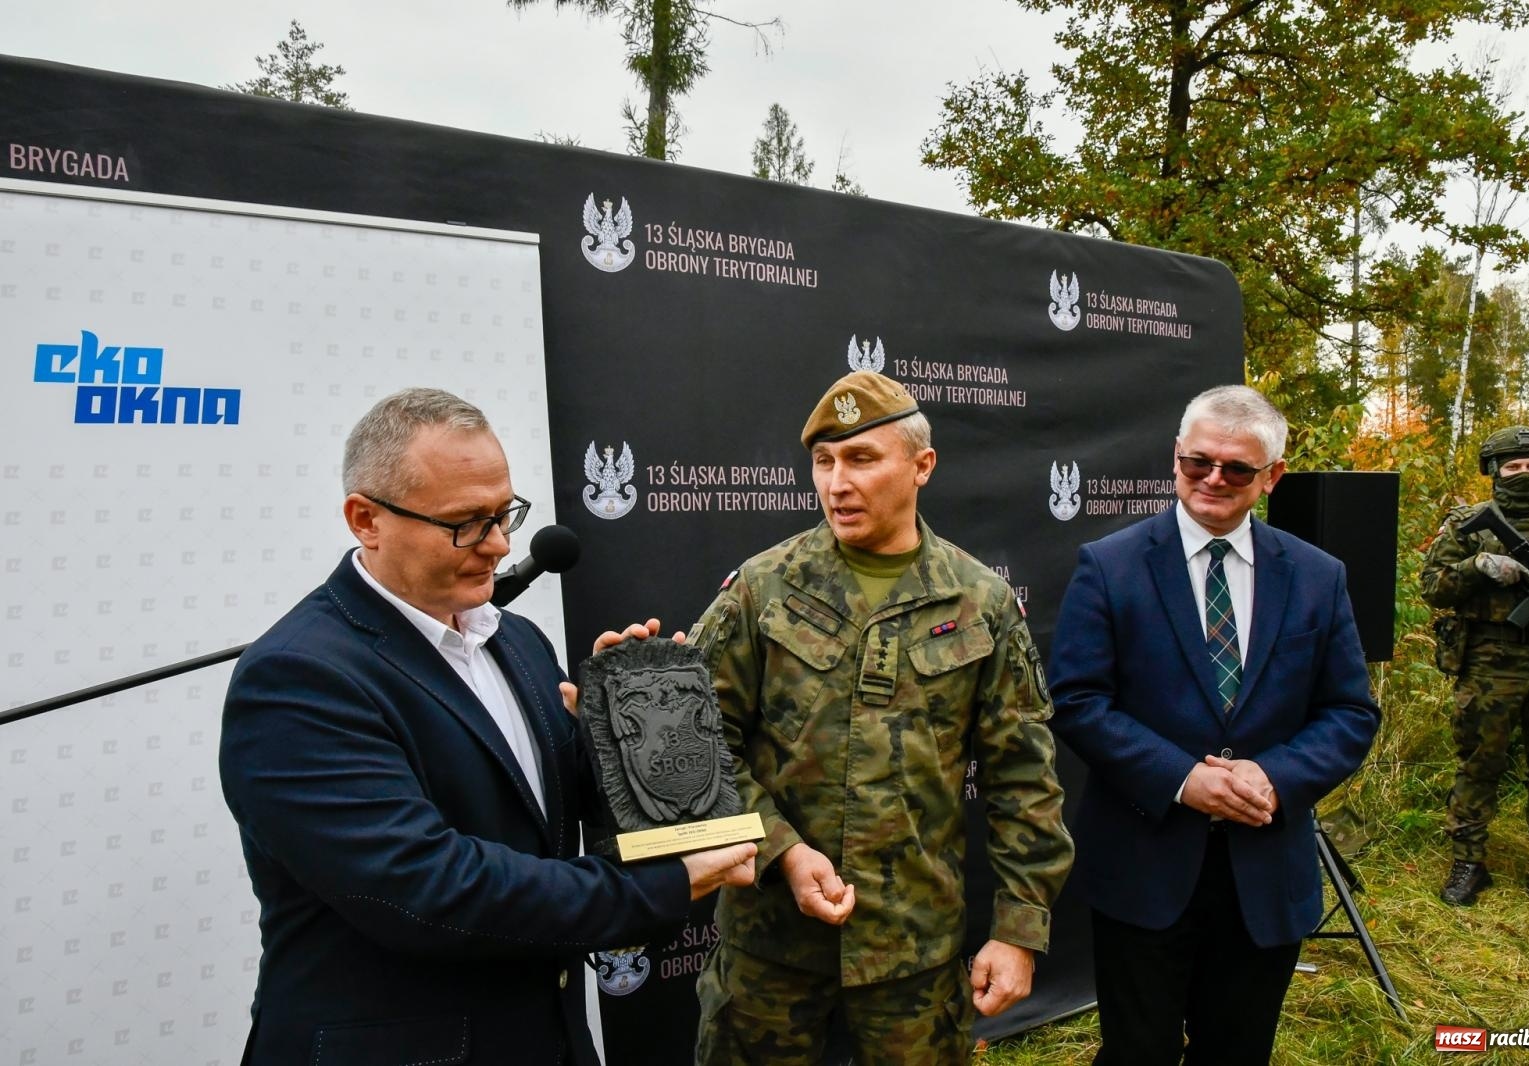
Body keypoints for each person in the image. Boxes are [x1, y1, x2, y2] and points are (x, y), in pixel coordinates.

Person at [219, 387, 756, 1066]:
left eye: (504, 514)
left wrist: (624, 744)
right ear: (366, 519)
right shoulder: (298, 679)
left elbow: (547, 833)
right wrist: (664, 885)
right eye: (466, 523)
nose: (500, 544)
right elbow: (427, 889)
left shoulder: (520, 642)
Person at [688, 371, 1073, 1065]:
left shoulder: (978, 601)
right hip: (770, 946)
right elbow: (696, 746)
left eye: (862, 459)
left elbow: (1024, 779)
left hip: (914, 949)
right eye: (824, 462)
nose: (838, 483)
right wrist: (782, 849)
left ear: (922, 466)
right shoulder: (762, 589)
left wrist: (1018, 931)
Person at [1047, 384, 1380, 1066]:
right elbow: (1077, 700)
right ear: (1175, 458)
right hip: (1144, 866)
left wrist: (1274, 773)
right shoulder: (1108, 567)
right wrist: (1181, 778)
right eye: (1198, 463)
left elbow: (1350, 712)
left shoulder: (1319, 577)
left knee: (1238, 1050)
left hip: (1266, 872)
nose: (1213, 480)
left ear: (1273, 476)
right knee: (1137, 1051)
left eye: (1237, 469)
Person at [1421, 425, 1529, 915]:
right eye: (1513, 465)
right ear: (1494, 471)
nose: (1524, 473)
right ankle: (1468, 865)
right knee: (1480, 764)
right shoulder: (1469, 524)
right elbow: (1432, 588)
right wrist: (1476, 566)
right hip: (1490, 661)